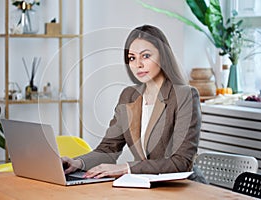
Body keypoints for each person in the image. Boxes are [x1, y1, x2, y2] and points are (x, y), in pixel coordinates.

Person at [62, 24, 205, 182]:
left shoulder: (185, 95)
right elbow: (108, 149)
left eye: (145, 56)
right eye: (132, 58)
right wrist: (77, 163)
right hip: (147, 187)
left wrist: (126, 169)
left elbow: (181, 162)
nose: (138, 65)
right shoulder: (128, 96)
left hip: (184, 188)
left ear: (163, 56)